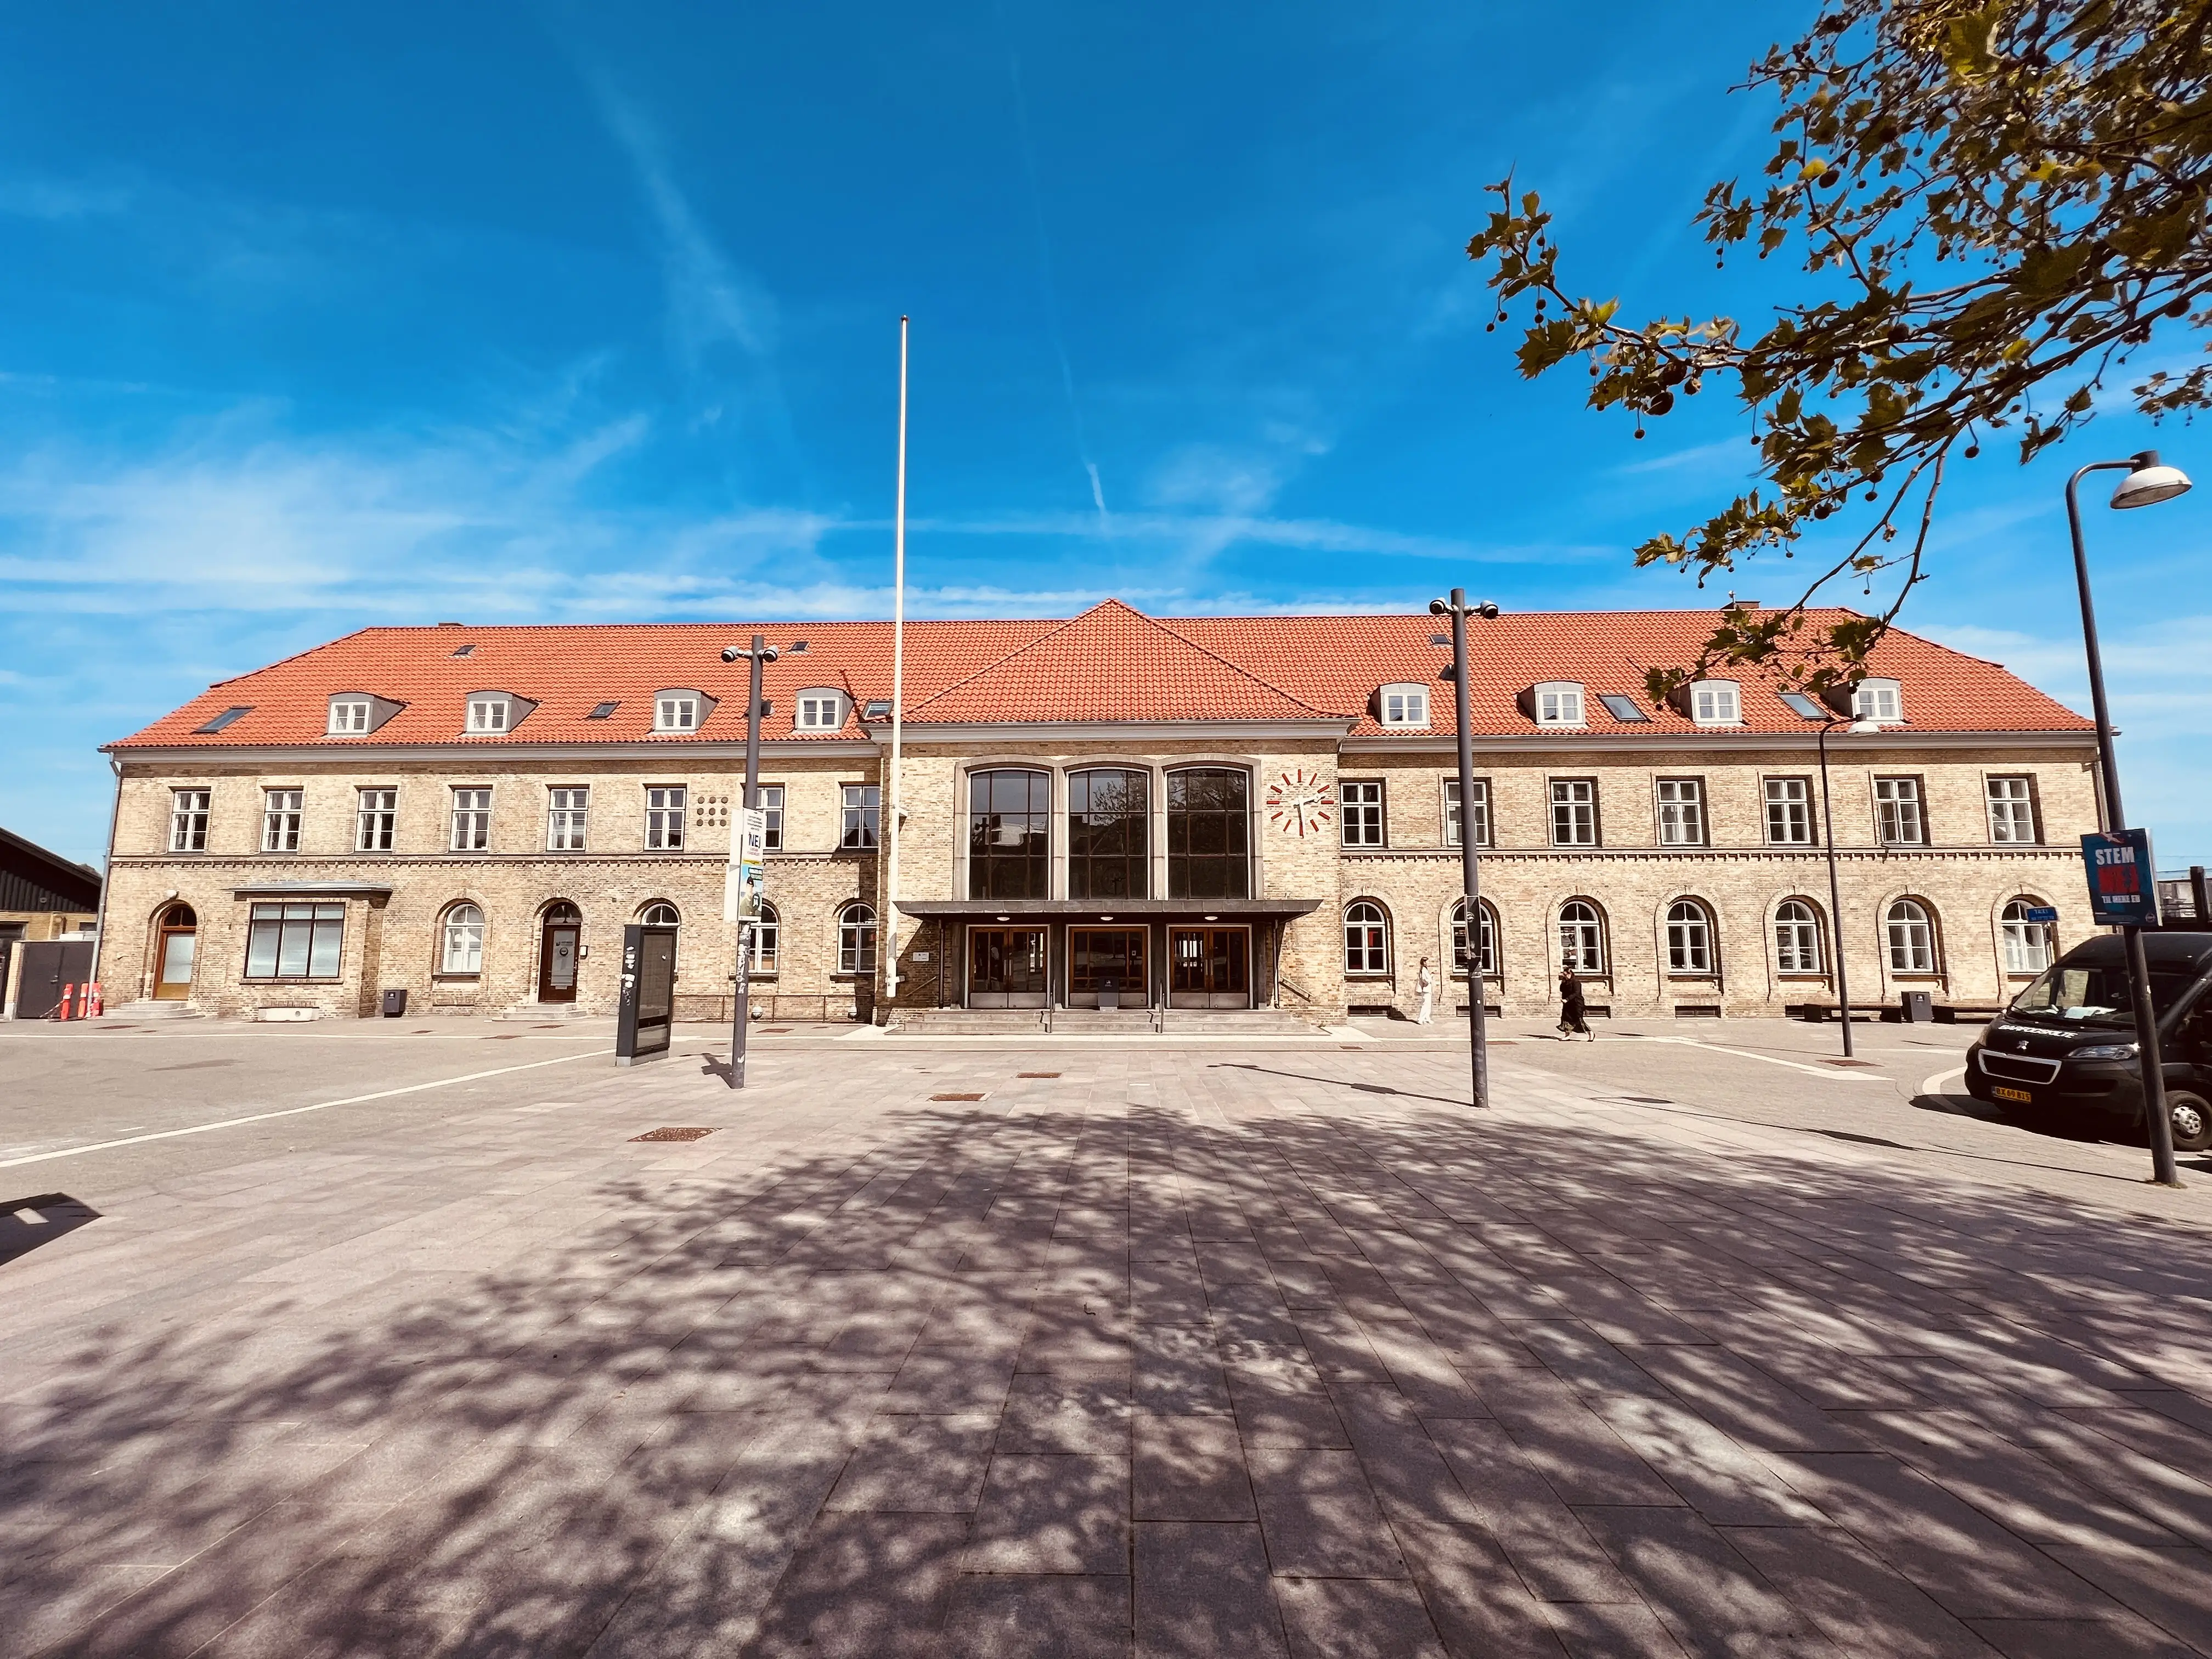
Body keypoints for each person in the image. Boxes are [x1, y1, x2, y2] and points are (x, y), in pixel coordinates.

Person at [1558, 965, 1593, 1040]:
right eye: (1564, 975)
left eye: (1565, 975)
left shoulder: (1576, 982)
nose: (1565, 977)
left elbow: (1576, 993)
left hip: (1577, 1004)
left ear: (1570, 974)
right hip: (1568, 1004)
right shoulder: (1566, 982)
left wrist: (1567, 999)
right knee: (1566, 1019)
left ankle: (1590, 1033)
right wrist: (1563, 982)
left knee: (1578, 1020)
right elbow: (1561, 990)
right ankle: (1567, 1036)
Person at [1414, 957, 1434, 1025]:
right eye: (1427, 962)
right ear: (1424, 962)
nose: (1428, 963)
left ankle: (1426, 1018)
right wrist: (1429, 980)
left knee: (1428, 1005)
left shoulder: (1425, 969)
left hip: (1428, 989)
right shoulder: (1424, 969)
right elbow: (1424, 979)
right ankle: (1420, 1019)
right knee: (1425, 1004)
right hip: (1426, 989)